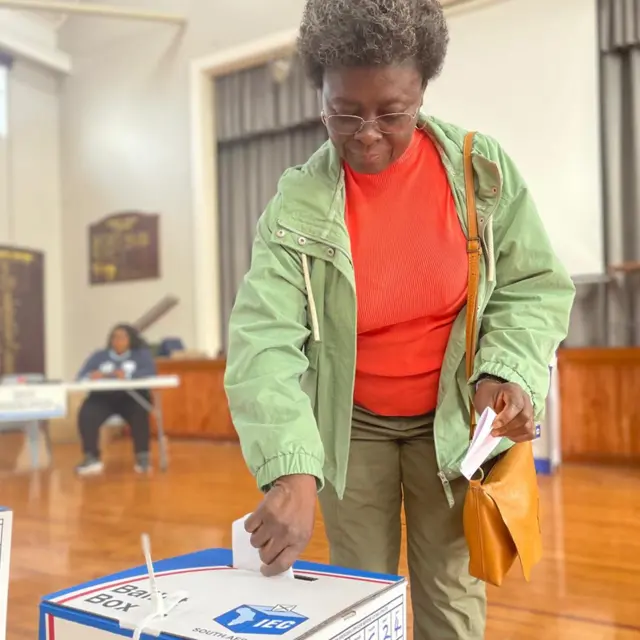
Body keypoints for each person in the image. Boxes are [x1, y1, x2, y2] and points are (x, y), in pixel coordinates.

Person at [223, 0, 576, 638]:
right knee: (359, 597)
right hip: (351, 426)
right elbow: (264, 340)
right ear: (321, 97)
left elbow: (532, 286)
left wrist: (506, 370)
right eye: (344, 112)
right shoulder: (297, 202)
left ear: (423, 92)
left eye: (392, 113)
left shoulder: (478, 171)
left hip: (453, 421)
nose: (366, 133)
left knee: (451, 591)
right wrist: (292, 467)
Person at [75, 323, 156, 476]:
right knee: (86, 413)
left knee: (140, 411)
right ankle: (91, 457)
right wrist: (92, 376)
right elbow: (81, 376)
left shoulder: (141, 355)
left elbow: (150, 372)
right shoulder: (99, 356)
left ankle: (142, 457)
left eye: (122, 337)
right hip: (104, 398)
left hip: (132, 396)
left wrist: (128, 376)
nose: (117, 341)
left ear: (131, 339)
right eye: (114, 337)